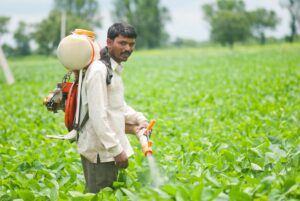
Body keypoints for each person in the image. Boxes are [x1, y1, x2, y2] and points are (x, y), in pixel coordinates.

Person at [77, 23, 149, 193]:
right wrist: (117, 150)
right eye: (122, 43)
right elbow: (98, 116)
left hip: (107, 150)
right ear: (109, 42)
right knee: (99, 195)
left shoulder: (111, 69)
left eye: (131, 44)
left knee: (107, 194)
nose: (128, 48)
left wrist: (139, 118)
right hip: (100, 153)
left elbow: (117, 106)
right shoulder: (99, 71)